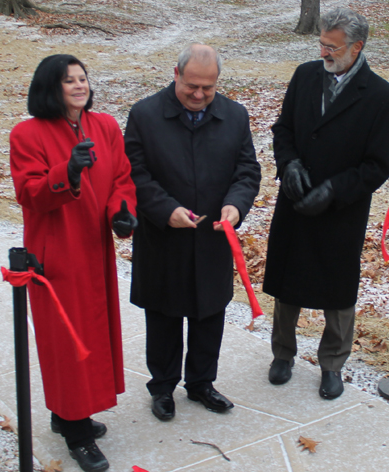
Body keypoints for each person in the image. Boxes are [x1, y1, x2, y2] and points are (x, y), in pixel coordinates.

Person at [263, 8, 389, 400]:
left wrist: (334, 191)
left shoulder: (383, 98)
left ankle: (332, 364)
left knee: (338, 292)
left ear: (356, 48)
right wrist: (288, 162)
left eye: (331, 46)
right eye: (321, 43)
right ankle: (282, 354)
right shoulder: (305, 75)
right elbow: (283, 129)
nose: (323, 52)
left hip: (341, 212)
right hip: (295, 200)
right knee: (287, 283)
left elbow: (377, 166)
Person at [10, 54, 138, 472]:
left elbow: (121, 177)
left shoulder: (103, 126)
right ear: (51, 87)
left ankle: (65, 414)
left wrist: (122, 212)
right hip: (56, 256)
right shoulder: (27, 134)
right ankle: (78, 433)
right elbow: (30, 193)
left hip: (94, 250)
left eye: (83, 78)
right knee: (67, 345)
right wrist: (68, 171)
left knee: (93, 338)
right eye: (69, 81)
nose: (80, 86)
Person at [124, 43, 260, 421]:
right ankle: (163, 386)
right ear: (176, 75)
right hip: (164, 237)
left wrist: (236, 203)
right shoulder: (146, 114)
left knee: (209, 313)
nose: (199, 95)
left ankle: (201, 383)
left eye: (209, 88)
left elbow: (247, 170)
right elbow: (134, 173)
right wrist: (165, 210)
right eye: (191, 87)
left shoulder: (234, 115)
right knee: (165, 316)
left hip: (213, 238)